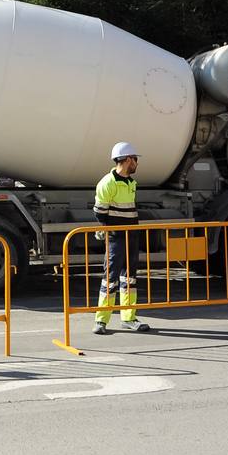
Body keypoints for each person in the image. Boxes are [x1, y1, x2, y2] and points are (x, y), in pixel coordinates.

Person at [93, 141, 150, 334]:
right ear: (127, 160)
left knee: (130, 277)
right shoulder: (107, 183)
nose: (137, 163)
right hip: (116, 237)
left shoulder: (131, 183)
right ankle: (101, 320)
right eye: (135, 159)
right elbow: (100, 213)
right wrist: (106, 229)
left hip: (131, 235)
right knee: (110, 278)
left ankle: (128, 318)